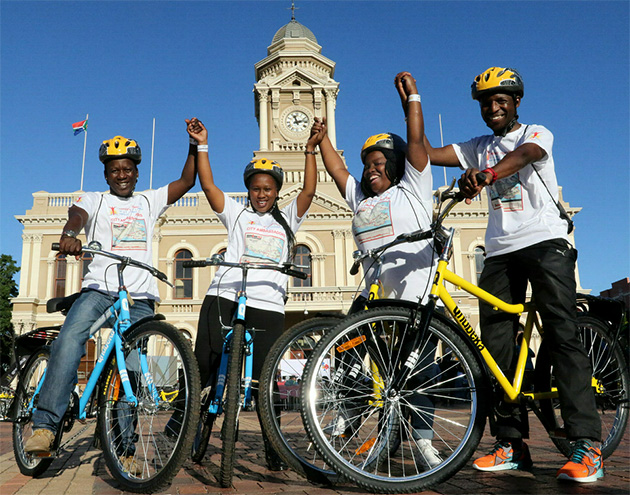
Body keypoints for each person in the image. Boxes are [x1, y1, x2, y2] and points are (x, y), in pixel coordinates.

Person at [422, 66, 602, 482]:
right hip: (500, 251)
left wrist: (487, 174)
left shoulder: (535, 133)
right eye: (487, 102)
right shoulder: (477, 145)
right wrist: (412, 102)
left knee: (562, 334)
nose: (493, 107)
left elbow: (526, 157)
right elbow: (428, 154)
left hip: (545, 242)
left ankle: (588, 446)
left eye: (501, 99)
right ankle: (512, 444)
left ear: (516, 102)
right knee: (496, 345)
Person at [24, 125, 200, 474]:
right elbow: (78, 216)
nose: (122, 175)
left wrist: (196, 145)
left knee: (130, 372)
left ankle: (125, 448)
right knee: (70, 340)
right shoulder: (94, 200)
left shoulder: (149, 200)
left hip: (140, 297)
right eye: (114, 169)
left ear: (136, 172)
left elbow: (187, 181)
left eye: (127, 169)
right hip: (99, 289)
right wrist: (70, 233)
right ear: (106, 174)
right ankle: (45, 426)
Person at [314, 71, 440, 469]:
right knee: (350, 364)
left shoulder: (413, 189)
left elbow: (418, 144)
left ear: (398, 166)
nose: (371, 170)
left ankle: (423, 442)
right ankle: (343, 426)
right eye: (367, 164)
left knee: (415, 375)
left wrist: (412, 102)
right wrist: (321, 143)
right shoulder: (360, 200)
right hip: (372, 305)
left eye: (380, 163)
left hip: (413, 303)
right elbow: (337, 171)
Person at [189, 118, 319, 471]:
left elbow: (308, 191)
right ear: (249, 190)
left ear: (276, 192)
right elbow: (208, 185)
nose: (261, 194)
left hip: (268, 304)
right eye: (256, 189)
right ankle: (188, 424)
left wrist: (310, 150)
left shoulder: (288, 220)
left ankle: (272, 446)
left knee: (267, 380)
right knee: (205, 363)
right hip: (227, 294)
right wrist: (203, 144)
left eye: (268, 189)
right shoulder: (236, 215)